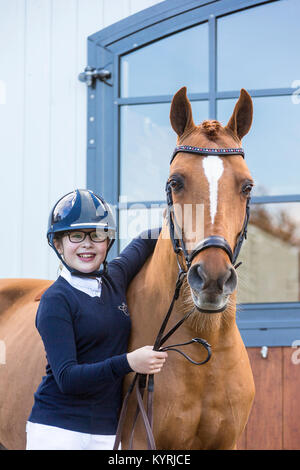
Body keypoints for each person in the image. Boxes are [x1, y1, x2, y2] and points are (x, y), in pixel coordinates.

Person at [26, 189, 167, 450]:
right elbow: (67, 378)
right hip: (58, 432)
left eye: (97, 235)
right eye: (76, 236)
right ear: (58, 244)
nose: (87, 244)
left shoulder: (116, 276)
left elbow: (144, 241)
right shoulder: (56, 300)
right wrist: (129, 362)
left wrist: (174, 223)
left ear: (108, 242)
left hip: (107, 433)